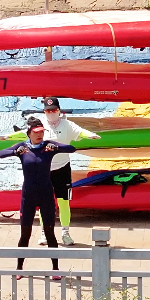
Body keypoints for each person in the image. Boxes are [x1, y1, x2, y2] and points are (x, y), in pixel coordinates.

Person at [0, 117, 76, 277]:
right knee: (25, 233)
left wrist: (57, 147)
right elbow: (0, 154)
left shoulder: (48, 146)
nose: (40, 135)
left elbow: (71, 148)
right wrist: (14, 152)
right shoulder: (23, 147)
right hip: (28, 196)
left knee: (50, 232)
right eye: (36, 132)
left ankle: (55, 269)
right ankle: (19, 268)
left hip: (46, 195)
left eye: (42, 132)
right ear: (29, 133)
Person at [38, 97, 100, 246]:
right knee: (44, 203)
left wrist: (90, 135)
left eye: (54, 110)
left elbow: (80, 131)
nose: (51, 113)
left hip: (63, 169)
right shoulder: (39, 125)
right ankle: (45, 233)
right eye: (48, 111)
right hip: (44, 170)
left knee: (64, 202)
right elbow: (24, 133)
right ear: (44, 112)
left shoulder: (67, 124)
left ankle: (65, 233)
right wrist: (8, 137)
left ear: (59, 111)